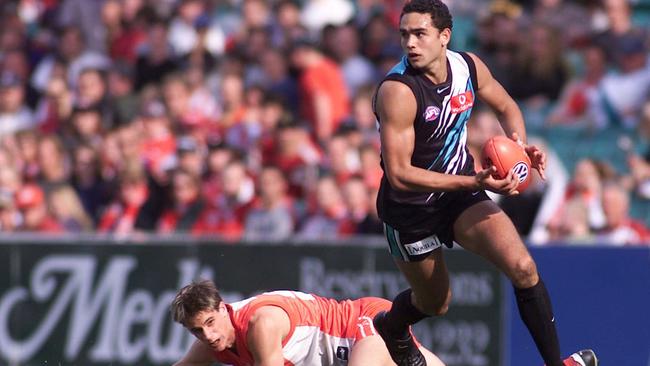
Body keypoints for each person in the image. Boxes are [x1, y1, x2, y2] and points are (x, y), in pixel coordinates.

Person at [371, 1, 597, 366]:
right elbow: (399, 174)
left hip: (460, 194)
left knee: (523, 267)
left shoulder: (468, 66)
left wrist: (520, 149)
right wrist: (471, 180)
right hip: (410, 209)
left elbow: (507, 106)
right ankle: (392, 326)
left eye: (419, 34)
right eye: (404, 34)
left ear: (444, 37)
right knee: (435, 302)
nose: (410, 43)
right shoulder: (397, 91)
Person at [171, 280, 445, 366]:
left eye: (209, 322)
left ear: (222, 308)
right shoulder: (213, 340)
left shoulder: (260, 324)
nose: (207, 334)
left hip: (360, 325)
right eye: (197, 330)